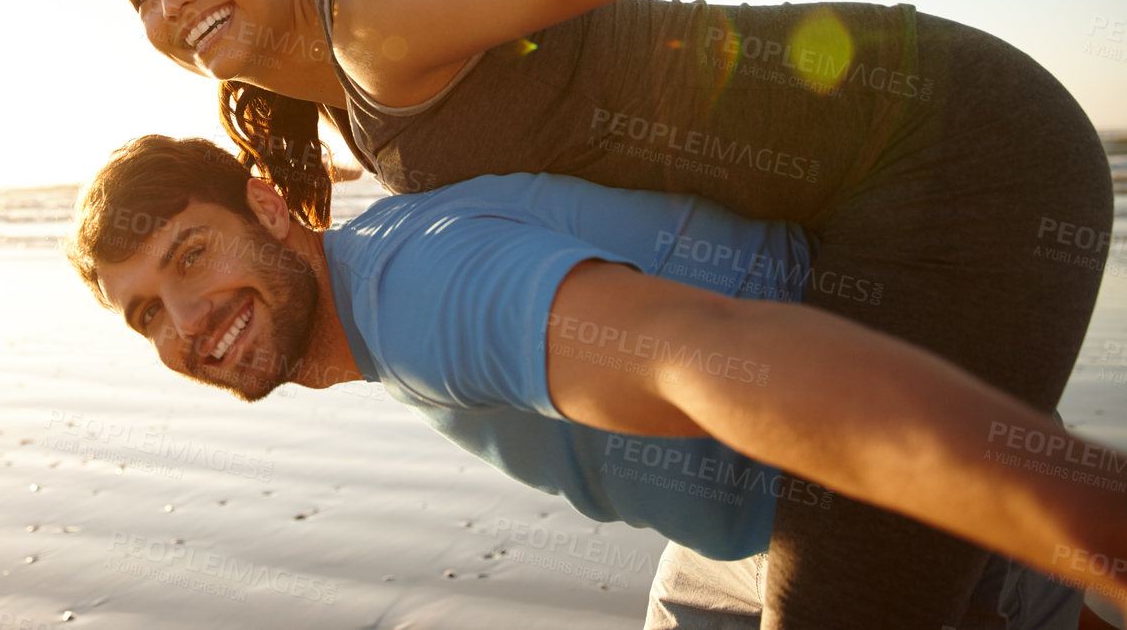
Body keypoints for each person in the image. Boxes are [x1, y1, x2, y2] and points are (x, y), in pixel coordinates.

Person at [99, 0, 1127, 629]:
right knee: (940, 572)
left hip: (950, 152)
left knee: (872, 578)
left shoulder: (378, 19)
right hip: (838, 228)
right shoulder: (347, 116)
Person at [64, 135, 1127, 621]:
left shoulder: (421, 296)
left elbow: (707, 359)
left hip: (847, 471)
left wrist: (1071, 498)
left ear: (264, 205)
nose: (188, 322)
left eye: (190, 254)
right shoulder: (374, 270)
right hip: (742, 532)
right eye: (146, 309)